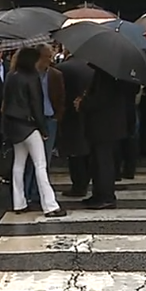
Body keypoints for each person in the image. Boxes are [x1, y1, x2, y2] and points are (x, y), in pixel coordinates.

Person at [2, 47, 65, 218]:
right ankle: (50, 205)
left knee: (19, 165)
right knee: (40, 165)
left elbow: (6, 103)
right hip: (30, 126)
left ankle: (19, 202)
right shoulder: (32, 77)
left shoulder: (11, 76)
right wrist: (43, 129)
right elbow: (36, 105)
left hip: (14, 125)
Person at [78, 67, 135, 210]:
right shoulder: (110, 74)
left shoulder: (105, 75)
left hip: (105, 126)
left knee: (103, 163)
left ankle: (106, 196)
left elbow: (100, 100)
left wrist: (83, 103)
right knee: (98, 162)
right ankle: (99, 194)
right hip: (107, 126)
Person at [23, 44, 65, 205]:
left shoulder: (55, 75)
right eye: (47, 57)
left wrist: (57, 116)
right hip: (32, 121)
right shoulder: (29, 75)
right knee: (30, 160)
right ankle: (28, 191)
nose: (49, 60)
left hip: (49, 119)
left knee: (44, 159)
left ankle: (36, 191)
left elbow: (61, 97)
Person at [56, 50, 94, 197]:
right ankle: (85, 181)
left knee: (73, 152)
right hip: (89, 113)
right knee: (86, 150)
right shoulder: (91, 68)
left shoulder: (63, 68)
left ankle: (78, 185)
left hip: (69, 114)